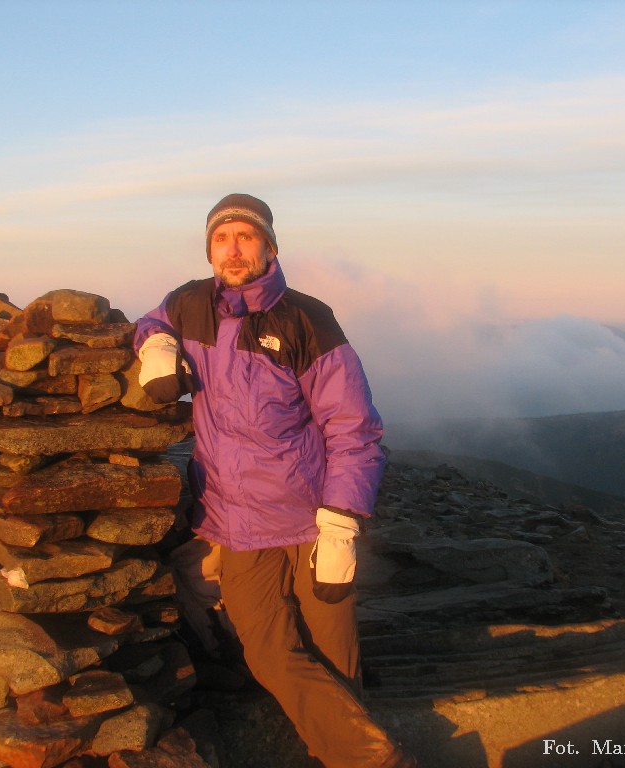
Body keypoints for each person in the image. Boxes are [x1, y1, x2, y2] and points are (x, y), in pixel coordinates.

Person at [134, 194, 415, 768]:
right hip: (233, 521)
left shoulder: (306, 318)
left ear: (270, 247)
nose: (233, 249)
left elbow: (354, 428)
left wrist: (340, 526)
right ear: (208, 250)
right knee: (267, 652)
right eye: (221, 239)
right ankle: (374, 760)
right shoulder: (188, 305)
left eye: (246, 237)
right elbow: (150, 320)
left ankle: (343, 757)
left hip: (310, 520)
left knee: (333, 652)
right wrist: (157, 345)